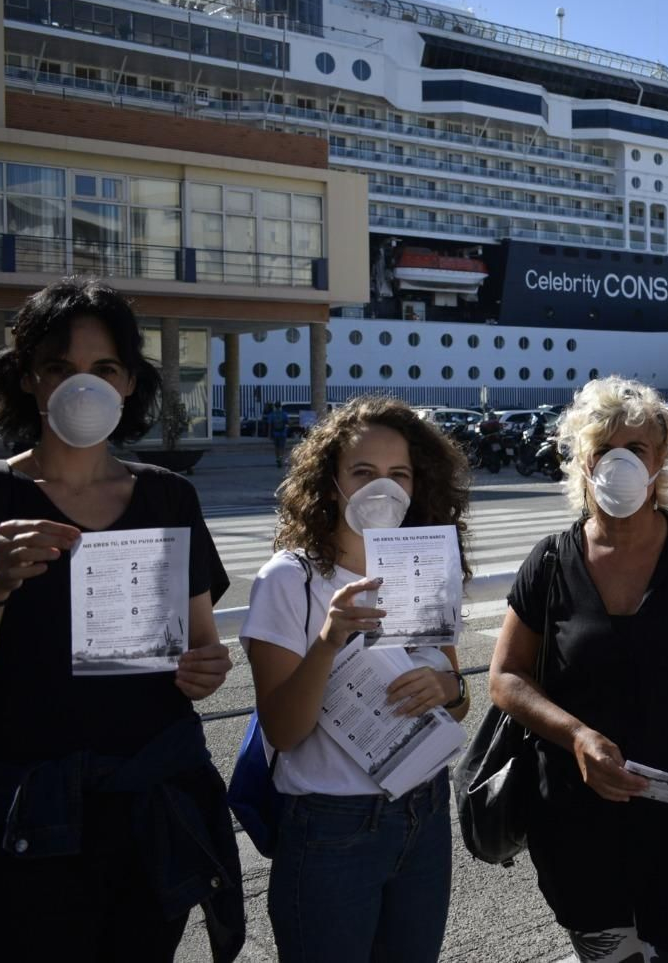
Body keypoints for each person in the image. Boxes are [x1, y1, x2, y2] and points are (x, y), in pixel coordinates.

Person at [0, 277, 242, 960]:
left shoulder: (169, 496)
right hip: (25, 824)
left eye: (104, 368)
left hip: (150, 814)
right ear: (26, 377)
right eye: (60, 367)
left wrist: (208, 667)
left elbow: (203, 648)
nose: (84, 386)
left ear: (131, 381)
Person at [489, 376, 668, 963]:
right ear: (581, 461)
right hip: (577, 822)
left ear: (661, 459)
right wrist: (577, 736)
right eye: (604, 451)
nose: (619, 464)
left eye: (636, 450)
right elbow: (505, 678)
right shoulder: (548, 561)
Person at [241, 395, 470, 963]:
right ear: (331, 481)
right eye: (364, 472)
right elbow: (284, 730)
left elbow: (457, 698)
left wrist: (449, 689)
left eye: (399, 474)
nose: (383, 488)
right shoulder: (289, 580)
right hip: (330, 826)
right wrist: (329, 640)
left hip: (423, 809)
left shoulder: (425, 563)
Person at [267, 401, 290, 467]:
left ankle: (277, 458)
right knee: (282, 447)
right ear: (280, 406)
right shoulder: (284, 414)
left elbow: (270, 425)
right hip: (283, 433)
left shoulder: (272, 414)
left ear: (275, 406)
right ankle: (281, 458)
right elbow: (287, 423)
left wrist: (269, 435)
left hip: (275, 433)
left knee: (276, 447)